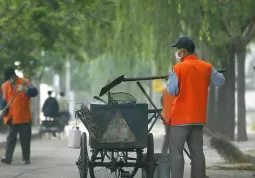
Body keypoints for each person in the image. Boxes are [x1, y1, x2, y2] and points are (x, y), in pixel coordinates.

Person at [167, 36, 225, 178]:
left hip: (180, 118)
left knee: (176, 152)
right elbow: (220, 81)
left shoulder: (178, 68)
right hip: (198, 119)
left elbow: (172, 90)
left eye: (177, 50)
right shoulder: (206, 67)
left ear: (183, 52)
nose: (176, 53)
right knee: (197, 153)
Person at [0, 67, 38, 164]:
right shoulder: (4, 86)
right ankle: (8, 158)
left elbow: (35, 92)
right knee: (10, 138)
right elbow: (4, 101)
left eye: (10, 78)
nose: (9, 80)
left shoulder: (25, 82)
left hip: (24, 117)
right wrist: (2, 109)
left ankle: (26, 158)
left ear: (14, 76)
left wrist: (26, 90)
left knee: (25, 139)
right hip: (11, 117)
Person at [160, 87, 174, 153]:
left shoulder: (165, 91)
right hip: (175, 117)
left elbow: (162, 103)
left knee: (168, 136)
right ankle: (173, 154)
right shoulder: (177, 90)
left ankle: (164, 153)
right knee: (174, 137)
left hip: (166, 117)